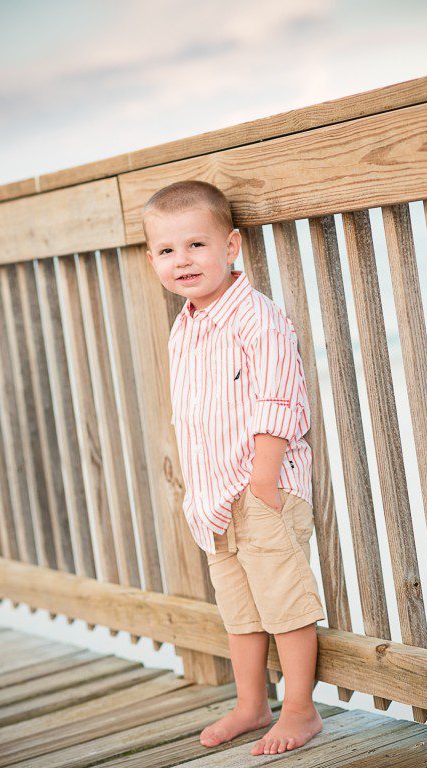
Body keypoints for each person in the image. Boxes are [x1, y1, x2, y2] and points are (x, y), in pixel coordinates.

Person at [144, 180, 324, 756]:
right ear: (153, 261)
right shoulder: (186, 327)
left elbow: (280, 398)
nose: (183, 261)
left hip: (260, 485)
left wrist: (264, 479)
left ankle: (300, 708)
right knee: (240, 607)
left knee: (284, 601)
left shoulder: (257, 317)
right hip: (213, 495)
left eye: (197, 245)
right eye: (167, 251)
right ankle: (252, 702)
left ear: (232, 246)